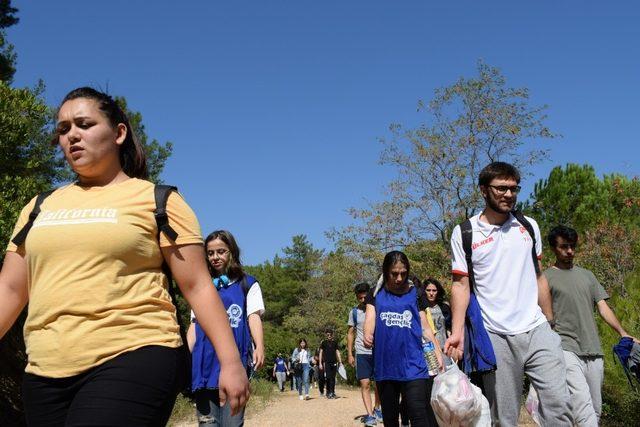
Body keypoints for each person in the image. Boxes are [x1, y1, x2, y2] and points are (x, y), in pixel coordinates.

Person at [0, 87, 249, 426]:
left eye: (84, 124)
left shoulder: (158, 201)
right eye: (63, 129)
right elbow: (11, 290)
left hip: (136, 352)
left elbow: (198, 287)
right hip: (45, 367)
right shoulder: (38, 207)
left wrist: (231, 362)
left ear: (118, 133)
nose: (72, 135)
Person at [445, 161, 572, 426]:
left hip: (537, 329)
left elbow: (538, 276)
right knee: (505, 416)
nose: (508, 194)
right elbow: (460, 285)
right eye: (501, 188)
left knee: (559, 404)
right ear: (483, 190)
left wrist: (550, 323)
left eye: (514, 188)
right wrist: (457, 332)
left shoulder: (528, 226)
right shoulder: (465, 233)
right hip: (496, 335)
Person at [545, 225, 639, 426]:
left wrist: (623, 333)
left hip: (594, 350)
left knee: (595, 408)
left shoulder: (587, 275)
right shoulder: (545, 278)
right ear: (553, 248)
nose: (570, 251)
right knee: (582, 404)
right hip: (566, 348)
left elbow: (603, 307)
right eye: (564, 247)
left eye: (572, 246)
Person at [187, 230, 265, 426]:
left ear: (232, 252)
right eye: (211, 253)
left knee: (232, 423)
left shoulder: (247, 284)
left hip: (234, 365)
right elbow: (194, 326)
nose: (215, 257)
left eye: (221, 251)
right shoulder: (201, 287)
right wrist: (183, 357)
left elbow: (253, 316)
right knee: (207, 424)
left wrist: (260, 346)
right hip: (204, 365)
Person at [363, 251, 443, 427]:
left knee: (418, 413)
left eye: (403, 273)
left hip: (414, 364)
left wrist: (437, 351)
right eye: (394, 273)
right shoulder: (375, 294)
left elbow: (425, 326)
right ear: (385, 271)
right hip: (386, 365)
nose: (399, 278)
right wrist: (368, 333)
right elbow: (370, 318)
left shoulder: (416, 293)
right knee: (390, 418)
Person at [347, 282, 382, 426]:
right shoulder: (354, 312)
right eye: (359, 298)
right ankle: (369, 414)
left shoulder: (377, 309)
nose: (362, 301)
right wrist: (350, 354)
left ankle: (377, 408)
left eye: (364, 297)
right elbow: (350, 333)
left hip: (378, 351)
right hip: (361, 351)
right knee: (365, 383)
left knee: (379, 383)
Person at [423, 278, 451, 352]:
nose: (431, 293)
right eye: (428, 290)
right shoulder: (420, 309)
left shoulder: (444, 307)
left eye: (434, 290)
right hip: (428, 349)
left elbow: (448, 328)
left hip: (445, 347)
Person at [319, 328, 342, 399]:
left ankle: (332, 392)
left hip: (334, 362)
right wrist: (320, 363)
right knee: (328, 378)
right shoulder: (324, 343)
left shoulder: (335, 343)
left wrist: (340, 362)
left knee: (333, 378)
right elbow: (321, 353)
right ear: (326, 335)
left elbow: (337, 352)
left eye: (330, 334)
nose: (329, 336)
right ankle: (328, 392)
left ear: (332, 335)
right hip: (327, 363)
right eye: (328, 334)